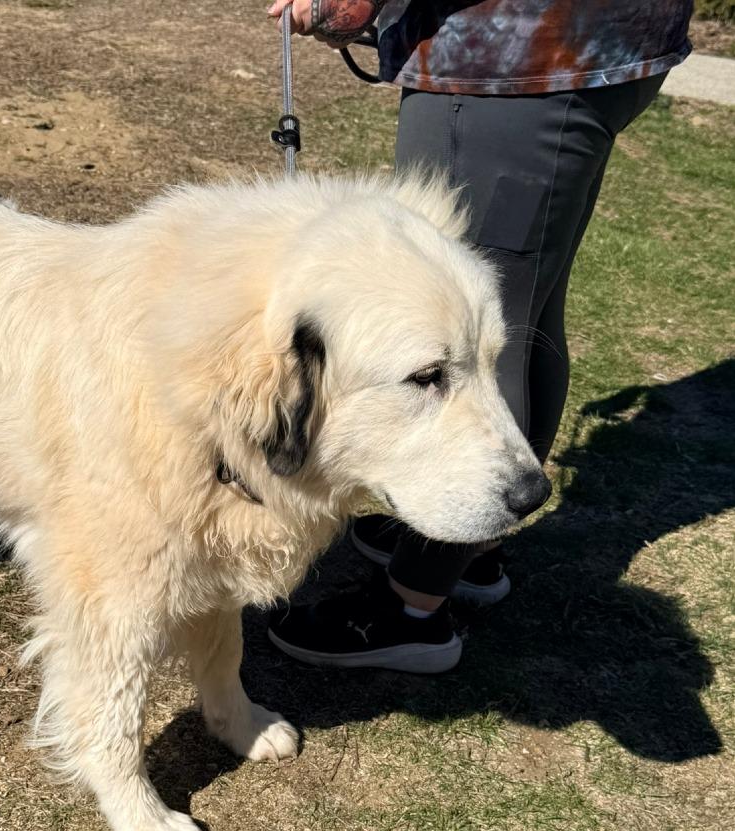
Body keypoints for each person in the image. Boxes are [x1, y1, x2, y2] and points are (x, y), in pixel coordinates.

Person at [265, 0, 695, 673]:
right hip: (604, 47)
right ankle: (471, 550)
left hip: (511, 58)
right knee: (523, 315)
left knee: (476, 345)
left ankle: (412, 609)